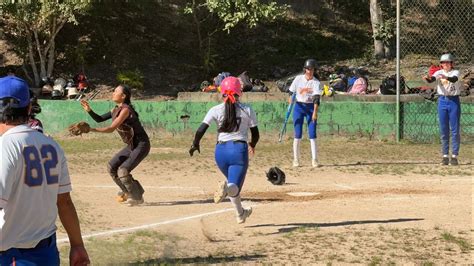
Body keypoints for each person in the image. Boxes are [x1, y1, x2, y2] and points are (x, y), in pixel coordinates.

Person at [0, 76, 89, 265]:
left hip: (11, 256)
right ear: (29, 108)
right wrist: (77, 245)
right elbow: (64, 201)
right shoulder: (52, 146)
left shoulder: (4, 146)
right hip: (46, 253)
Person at [189, 76, 259, 224]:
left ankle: (240, 214)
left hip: (220, 152)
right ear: (239, 93)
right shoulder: (247, 109)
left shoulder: (215, 109)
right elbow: (256, 133)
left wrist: (195, 144)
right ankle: (227, 189)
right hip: (238, 151)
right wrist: (252, 144)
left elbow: (201, 129)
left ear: (222, 93)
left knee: (232, 183)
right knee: (233, 187)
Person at [80, 84, 150, 206]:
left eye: (116, 91)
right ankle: (127, 192)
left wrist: (91, 130)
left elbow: (111, 128)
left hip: (141, 144)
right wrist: (89, 110)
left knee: (123, 170)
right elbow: (99, 119)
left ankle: (136, 197)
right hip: (131, 145)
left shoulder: (126, 110)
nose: (113, 93)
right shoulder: (115, 110)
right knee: (111, 167)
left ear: (123, 96)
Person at [423, 53, 462, 166]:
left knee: (454, 130)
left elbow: (454, 79)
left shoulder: (455, 72)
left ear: (451, 64)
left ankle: (454, 155)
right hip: (442, 101)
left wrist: (446, 77)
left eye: (448, 62)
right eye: (443, 63)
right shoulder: (439, 72)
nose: (445, 64)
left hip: (453, 100)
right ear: (441, 64)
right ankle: (445, 155)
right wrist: (428, 79)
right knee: (444, 129)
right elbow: (432, 79)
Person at [288, 59, 322, 168]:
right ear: (305, 69)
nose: (309, 71)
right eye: (308, 69)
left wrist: (315, 113)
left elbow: (316, 99)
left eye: (311, 69)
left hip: (311, 107)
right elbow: (291, 92)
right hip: (299, 107)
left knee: (312, 134)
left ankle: (314, 160)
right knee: (298, 134)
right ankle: (296, 160)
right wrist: (290, 101)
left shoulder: (316, 82)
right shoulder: (298, 79)